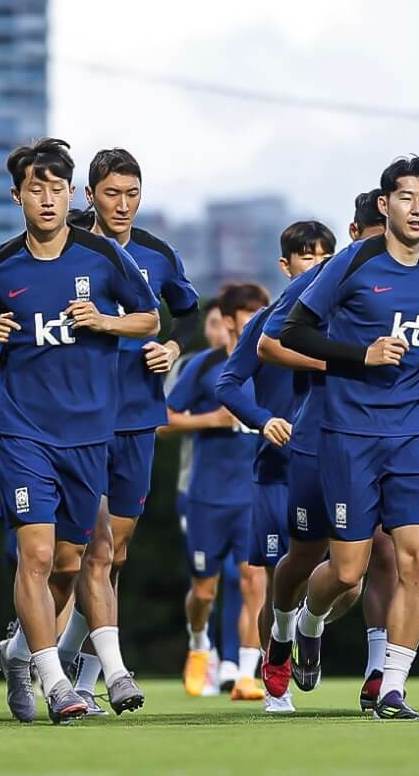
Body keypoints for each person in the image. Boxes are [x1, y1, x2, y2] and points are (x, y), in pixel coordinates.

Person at [0, 137, 159, 724]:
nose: (47, 199)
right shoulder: (1, 264)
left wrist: (105, 321)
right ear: (17, 196)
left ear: (71, 194)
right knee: (38, 554)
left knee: (77, 561)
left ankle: (18, 654)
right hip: (25, 432)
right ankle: (60, 683)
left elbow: (150, 317)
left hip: (91, 434)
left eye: (56, 189)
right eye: (36, 189)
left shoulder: (103, 256)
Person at [283, 156, 419, 720]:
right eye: (406, 198)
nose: (417, 209)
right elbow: (294, 331)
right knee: (348, 571)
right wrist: (362, 354)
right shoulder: (352, 262)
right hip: (349, 434)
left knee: (418, 558)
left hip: (413, 431)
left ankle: (392, 688)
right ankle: (309, 622)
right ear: (385, 205)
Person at [54, 148, 199, 710]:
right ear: (89, 195)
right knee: (82, 551)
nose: (122, 204)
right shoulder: (65, 247)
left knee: (114, 554)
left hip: (137, 415)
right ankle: (74, 669)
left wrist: (171, 348)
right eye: (111, 193)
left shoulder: (158, 254)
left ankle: (71, 664)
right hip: (80, 417)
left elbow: (187, 311)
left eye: (132, 194)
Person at [257, 191, 395, 712]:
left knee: (387, 553)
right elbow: (268, 343)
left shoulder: (418, 277)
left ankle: (379, 673)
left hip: (387, 434)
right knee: (306, 555)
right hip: (320, 435)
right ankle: (285, 632)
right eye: (377, 237)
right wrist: (343, 360)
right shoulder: (326, 277)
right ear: (357, 235)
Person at [215, 223, 336, 711]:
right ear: (286, 266)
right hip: (276, 471)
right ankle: (275, 681)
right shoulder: (266, 323)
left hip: (335, 464)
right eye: (306, 257)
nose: (316, 266)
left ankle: (309, 624)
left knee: (347, 579)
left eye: (325, 257)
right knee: (272, 582)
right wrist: (263, 420)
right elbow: (228, 384)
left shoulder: (345, 323)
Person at [165, 282, 270, 701]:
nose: (256, 324)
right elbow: (164, 419)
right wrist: (213, 420)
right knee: (204, 590)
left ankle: (246, 674)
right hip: (206, 495)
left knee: (253, 581)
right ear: (228, 322)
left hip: (254, 493)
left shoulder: (272, 363)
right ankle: (198, 644)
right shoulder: (204, 367)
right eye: (247, 317)